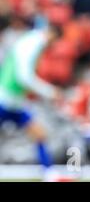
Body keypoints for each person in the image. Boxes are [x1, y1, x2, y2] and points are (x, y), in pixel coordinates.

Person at [0, 24, 63, 179]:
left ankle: (49, 174)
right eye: (54, 41)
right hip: (5, 100)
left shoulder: (32, 42)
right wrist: (49, 91)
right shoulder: (32, 44)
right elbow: (24, 77)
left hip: (15, 102)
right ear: (51, 34)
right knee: (39, 133)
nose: (53, 45)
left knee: (39, 134)